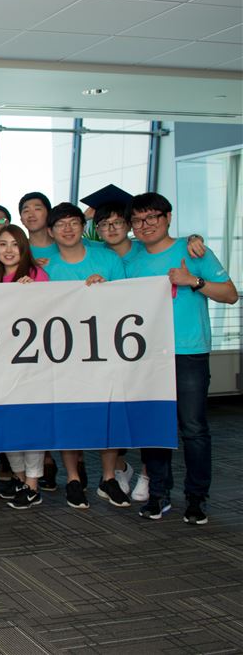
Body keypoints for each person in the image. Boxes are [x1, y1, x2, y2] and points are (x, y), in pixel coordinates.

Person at [127, 193, 238, 524]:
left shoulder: (194, 252)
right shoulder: (132, 258)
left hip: (189, 353)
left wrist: (194, 281)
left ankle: (196, 497)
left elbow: (230, 294)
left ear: (168, 218)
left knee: (193, 428)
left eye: (152, 217)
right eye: (138, 220)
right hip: (148, 356)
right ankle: (159, 494)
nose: (144, 225)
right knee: (154, 427)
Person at [41, 202, 132, 510]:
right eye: (60, 224)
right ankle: (72, 479)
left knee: (108, 413)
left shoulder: (107, 259)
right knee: (69, 414)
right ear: (51, 232)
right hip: (63, 354)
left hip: (106, 350)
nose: (67, 229)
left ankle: (108, 478)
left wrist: (106, 290)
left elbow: (128, 300)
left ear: (83, 227)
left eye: (73, 223)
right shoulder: (46, 268)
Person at [0, 225, 49, 509]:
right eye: (3, 244)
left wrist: (33, 293)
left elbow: (51, 310)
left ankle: (33, 485)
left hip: (30, 365)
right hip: (0, 363)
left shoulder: (36, 275)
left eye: (14, 244)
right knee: (8, 423)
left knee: (29, 423)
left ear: (23, 247)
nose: (9, 250)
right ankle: (20, 479)